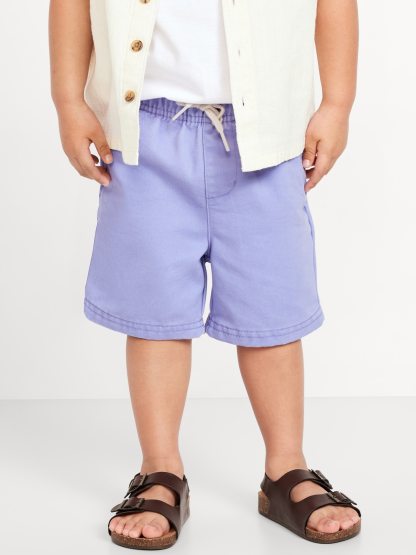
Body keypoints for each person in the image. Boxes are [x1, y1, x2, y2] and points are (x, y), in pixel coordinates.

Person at [49, 0, 361, 548]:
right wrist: (68, 101)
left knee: (270, 314)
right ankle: (159, 470)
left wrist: (337, 104)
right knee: (155, 315)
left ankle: (286, 468)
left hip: (267, 133)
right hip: (143, 132)